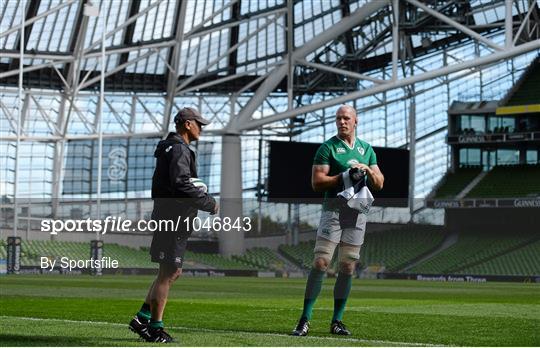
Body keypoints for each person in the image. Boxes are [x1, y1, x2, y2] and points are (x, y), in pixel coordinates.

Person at [291, 104, 384, 337]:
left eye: (346, 118)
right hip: (332, 211)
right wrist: (343, 177)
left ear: (356, 121)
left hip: (356, 214)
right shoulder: (327, 148)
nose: (342, 122)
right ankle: (304, 319)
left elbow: (380, 182)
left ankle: (337, 321)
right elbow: (317, 182)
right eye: (338, 118)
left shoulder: (367, 150)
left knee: (348, 266)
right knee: (321, 262)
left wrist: (367, 171)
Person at [129, 107, 218, 343]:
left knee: (171, 272)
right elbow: (180, 185)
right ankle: (155, 329)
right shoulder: (179, 149)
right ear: (188, 124)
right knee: (168, 273)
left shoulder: (170, 148)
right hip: (173, 219)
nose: (202, 128)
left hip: (169, 217)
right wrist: (209, 203)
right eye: (200, 124)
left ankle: (142, 318)